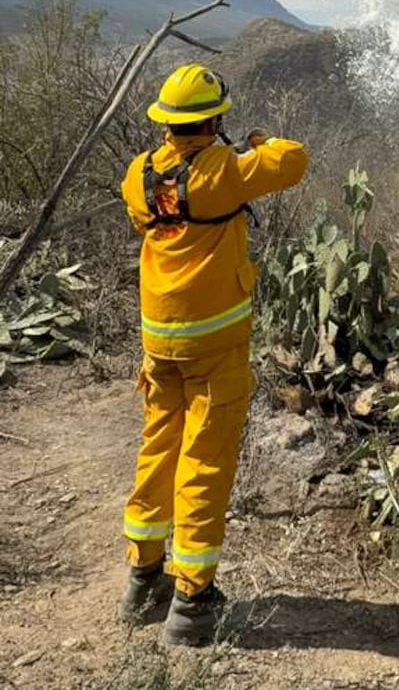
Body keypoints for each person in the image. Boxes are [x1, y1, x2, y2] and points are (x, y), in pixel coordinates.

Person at [118, 63, 307, 646]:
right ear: (214, 119)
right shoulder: (224, 171)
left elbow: (145, 219)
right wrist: (258, 142)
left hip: (159, 339)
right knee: (204, 460)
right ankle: (191, 601)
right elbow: (292, 159)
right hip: (214, 343)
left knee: (158, 448)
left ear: (168, 124)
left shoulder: (138, 175)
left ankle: (142, 575)